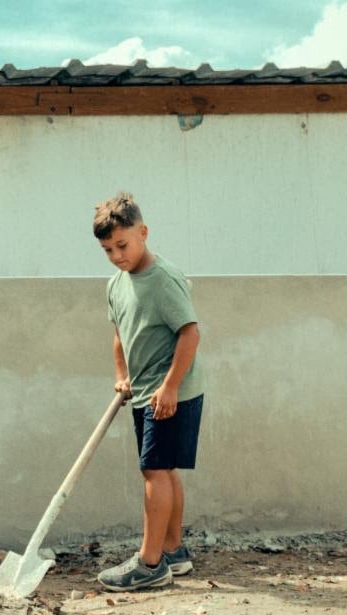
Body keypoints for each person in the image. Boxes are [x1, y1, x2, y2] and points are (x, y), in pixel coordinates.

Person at [91, 192, 203, 592]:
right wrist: (122, 375)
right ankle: (173, 551)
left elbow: (190, 334)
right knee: (164, 468)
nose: (117, 255)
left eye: (122, 245)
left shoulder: (164, 279)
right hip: (143, 390)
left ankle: (150, 563)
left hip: (172, 390)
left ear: (143, 232)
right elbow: (120, 334)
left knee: (153, 469)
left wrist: (170, 385)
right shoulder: (116, 284)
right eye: (108, 250)